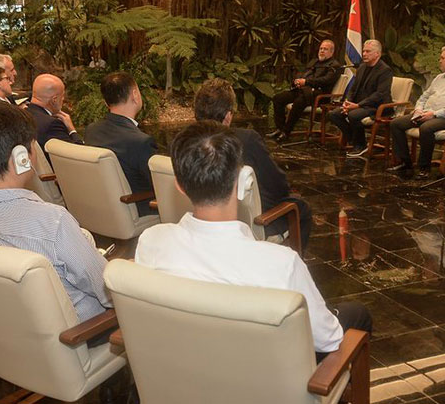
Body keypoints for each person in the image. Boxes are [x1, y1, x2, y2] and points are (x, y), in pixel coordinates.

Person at [135, 121, 372, 358]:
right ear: (244, 180)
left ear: (179, 185)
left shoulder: (151, 242)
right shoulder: (282, 265)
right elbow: (329, 340)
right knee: (357, 315)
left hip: (183, 372)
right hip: (265, 388)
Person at [0, 103, 110, 322]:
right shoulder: (53, 222)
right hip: (79, 334)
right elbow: (107, 292)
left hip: (8, 327)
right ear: (22, 156)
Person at [194, 78, 312, 249]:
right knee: (301, 208)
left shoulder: (184, 142)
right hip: (247, 224)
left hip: (200, 220)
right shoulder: (246, 140)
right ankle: (290, 269)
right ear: (228, 116)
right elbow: (277, 185)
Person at [388, 43, 445, 180]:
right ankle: (405, 163)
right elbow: (424, 96)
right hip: (427, 114)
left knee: (427, 127)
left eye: (442, 58)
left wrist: (434, 114)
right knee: (396, 123)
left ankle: (424, 168)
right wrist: (418, 109)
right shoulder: (439, 78)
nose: (439, 61)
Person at [85, 72, 157, 216]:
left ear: (106, 102)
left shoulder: (91, 131)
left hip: (104, 210)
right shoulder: (140, 141)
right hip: (140, 209)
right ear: (135, 95)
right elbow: (158, 185)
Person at [327, 39, 393, 158]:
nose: (364, 54)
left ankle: (360, 145)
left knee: (354, 115)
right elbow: (353, 88)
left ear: (377, 54)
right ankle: (355, 141)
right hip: (358, 104)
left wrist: (358, 105)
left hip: (377, 106)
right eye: (363, 51)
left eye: (368, 51)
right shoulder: (362, 67)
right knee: (334, 114)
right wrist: (347, 101)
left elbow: (380, 94)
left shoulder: (385, 70)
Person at [268, 40, 342, 143]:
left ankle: (286, 132)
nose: (322, 51)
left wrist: (306, 82)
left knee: (299, 102)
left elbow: (325, 81)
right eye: (321, 48)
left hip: (319, 94)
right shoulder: (314, 62)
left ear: (331, 52)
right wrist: (298, 81)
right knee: (278, 98)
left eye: (325, 49)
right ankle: (280, 129)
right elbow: (304, 74)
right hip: (304, 91)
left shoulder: (334, 66)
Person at [26, 74, 82, 155]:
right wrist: (72, 130)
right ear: (54, 100)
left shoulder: (22, 115)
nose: (63, 99)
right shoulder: (52, 125)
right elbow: (77, 155)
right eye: (62, 96)